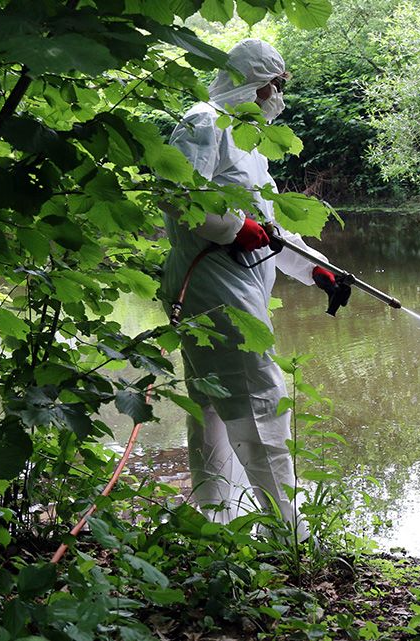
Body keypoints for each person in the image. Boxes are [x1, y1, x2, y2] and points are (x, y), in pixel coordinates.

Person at [160, 39, 343, 538]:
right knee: (260, 397)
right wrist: (231, 227)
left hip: (236, 278)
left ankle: (217, 523)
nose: (276, 96)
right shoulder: (203, 120)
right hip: (210, 280)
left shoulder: (249, 142)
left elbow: (270, 224)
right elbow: (179, 195)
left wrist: (316, 269)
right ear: (249, 80)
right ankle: (287, 534)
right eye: (273, 86)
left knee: (215, 404)